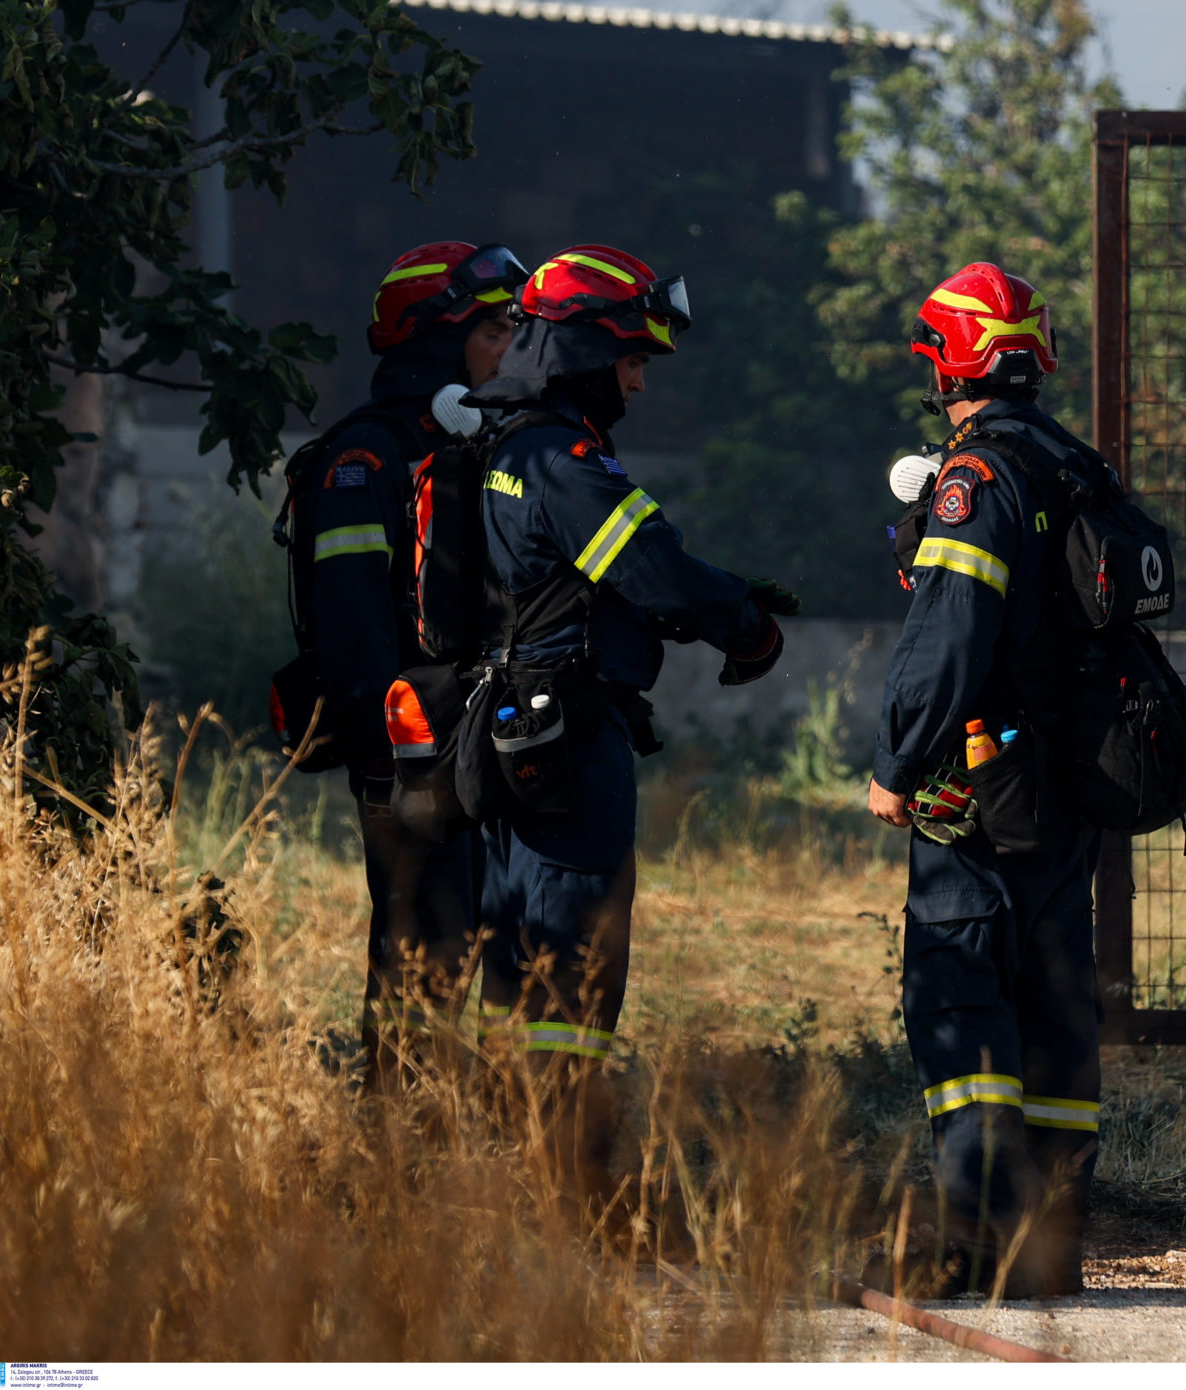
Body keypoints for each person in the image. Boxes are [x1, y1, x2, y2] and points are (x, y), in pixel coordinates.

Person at [459, 244, 795, 1183]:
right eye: (632, 362)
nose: (639, 386)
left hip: (512, 737)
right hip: (570, 747)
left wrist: (710, 595)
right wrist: (744, 624)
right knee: (574, 962)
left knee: (518, 960)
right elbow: (649, 566)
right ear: (582, 356)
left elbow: (598, 587)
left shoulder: (503, 446)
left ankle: (515, 1177)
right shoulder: (562, 462)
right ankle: (579, 1193)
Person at [866, 262, 1102, 1299]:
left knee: (960, 997)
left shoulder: (976, 481)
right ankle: (1047, 1252)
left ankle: (966, 1245)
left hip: (979, 784)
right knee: (1052, 999)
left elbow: (948, 638)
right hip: (1073, 780)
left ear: (944, 362)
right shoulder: (1077, 466)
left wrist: (894, 761)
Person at [295, 240, 528, 1078]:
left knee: (464, 938)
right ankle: (397, 1136)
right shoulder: (366, 459)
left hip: (472, 746)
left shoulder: (468, 447)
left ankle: (431, 1128)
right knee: (420, 946)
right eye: (496, 330)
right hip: (407, 754)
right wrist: (396, 760)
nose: (510, 347)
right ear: (437, 339)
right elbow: (355, 628)